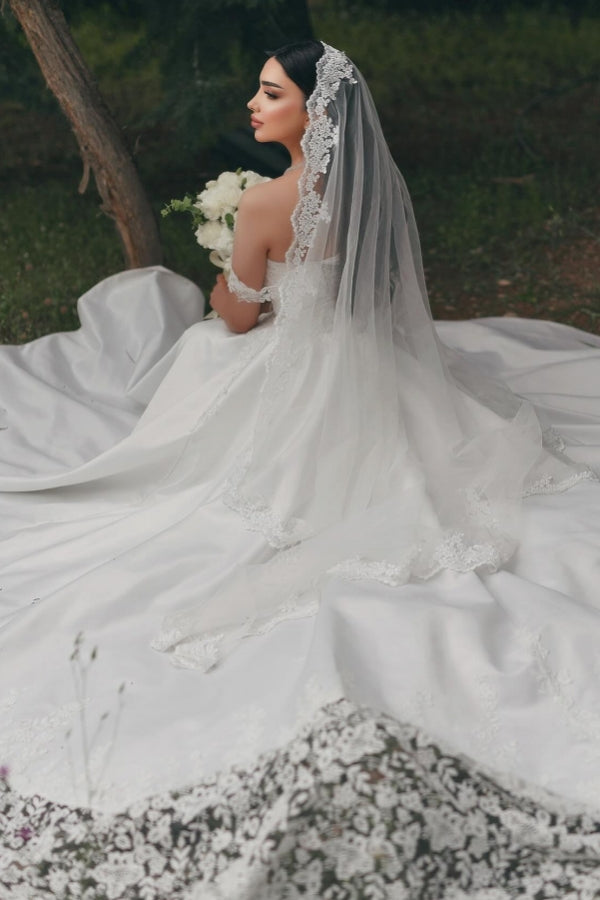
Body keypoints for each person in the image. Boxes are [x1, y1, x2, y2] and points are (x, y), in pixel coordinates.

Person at [1, 40, 600, 893]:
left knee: (209, 357)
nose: (253, 102)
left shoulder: (267, 205)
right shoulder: (373, 194)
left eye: (271, 92)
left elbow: (242, 321)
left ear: (315, 115)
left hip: (300, 376)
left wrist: (229, 272)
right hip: (375, 365)